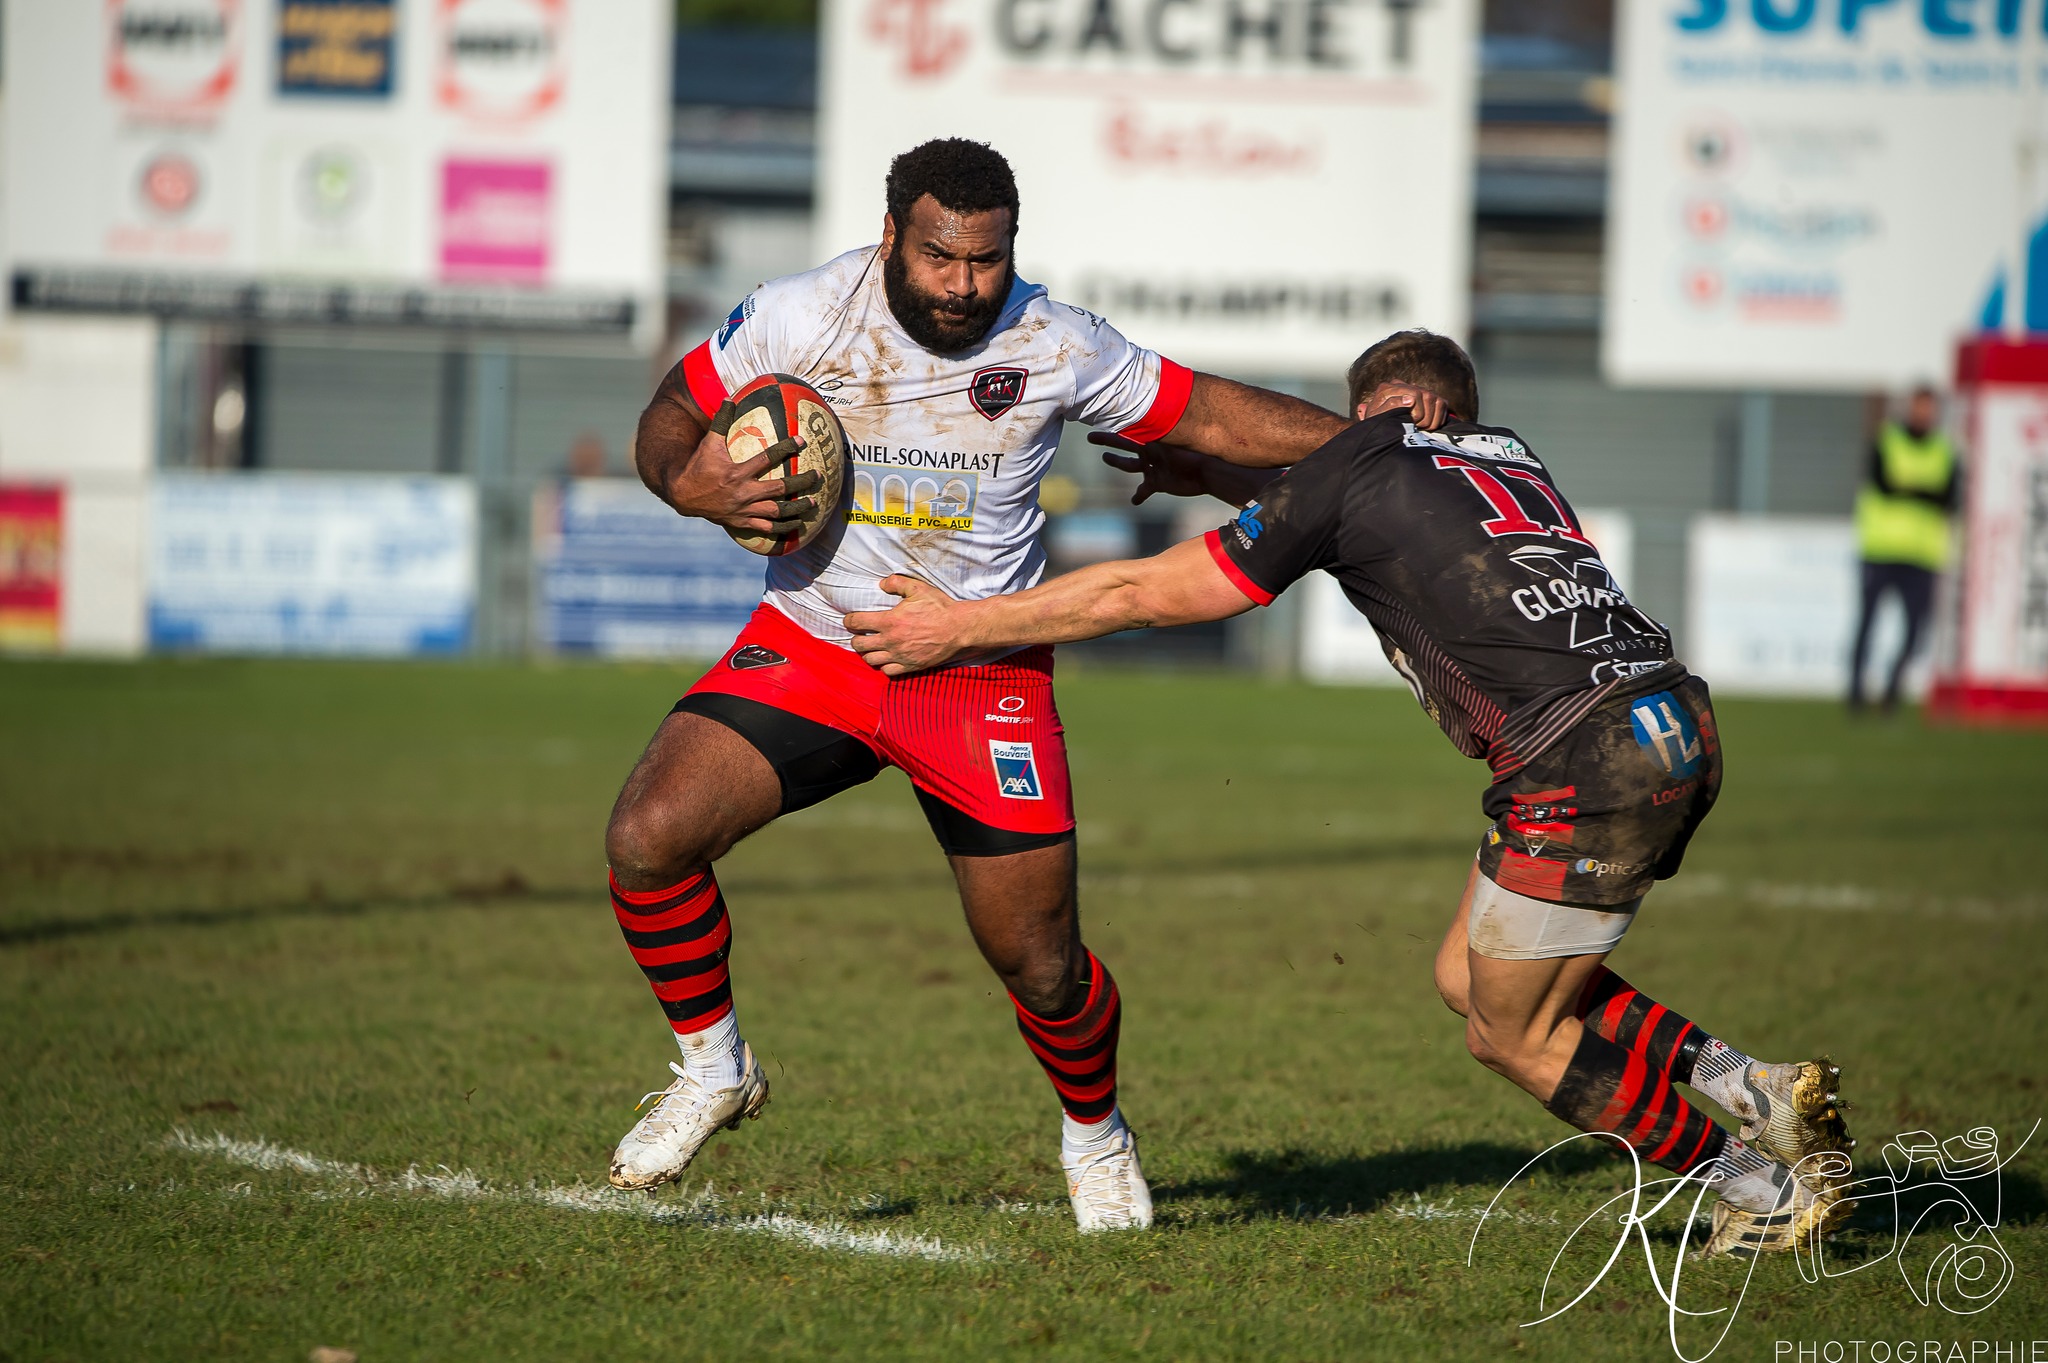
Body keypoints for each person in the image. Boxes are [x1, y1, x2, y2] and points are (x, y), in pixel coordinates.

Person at [844, 330, 1859, 1257]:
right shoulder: (1502, 453)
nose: (1331, 441)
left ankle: (1754, 1185)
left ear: (1397, 408)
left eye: (1345, 422)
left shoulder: (1368, 459)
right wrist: (1218, 471)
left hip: (1579, 760)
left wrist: (960, 629)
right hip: (1666, 716)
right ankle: (1748, 1084)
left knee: (1506, 1031)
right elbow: (1359, 495)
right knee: (1467, 974)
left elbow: (1137, 591)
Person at [605, 139, 1442, 1232]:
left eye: (986, 261)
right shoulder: (797, 313)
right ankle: (713, 1067)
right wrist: (688, 480)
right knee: (647, 834)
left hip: (977, 667)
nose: (963, 286)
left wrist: (1377, 447)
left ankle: (1094, 1132)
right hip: (818, 643)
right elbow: (674, 409)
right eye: (941, 258)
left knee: (1039, 964)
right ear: (894, 231)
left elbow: (1211, 417)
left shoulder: (1052, 340)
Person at [1849, 385, 1959, 714]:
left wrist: (1906, 488)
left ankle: (1892, 690)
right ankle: (1855, 694)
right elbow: (1882, 484)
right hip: (1880, 549)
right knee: (1867, 625)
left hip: (1922, 554)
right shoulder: (1888, 440)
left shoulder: (1944, 449)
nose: (1923, 414)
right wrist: (1925, 492)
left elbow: (1948, 498)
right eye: (1918, 407)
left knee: (1914, 631)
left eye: (1928, 409)